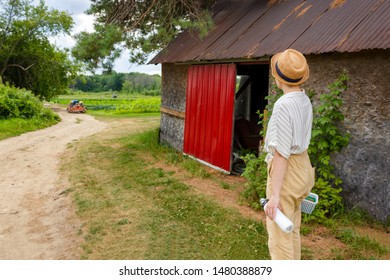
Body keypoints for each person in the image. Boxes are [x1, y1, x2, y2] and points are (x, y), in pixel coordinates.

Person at [263, 49, 315, 260]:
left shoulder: (283, 105)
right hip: (303, 166)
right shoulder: (304, 99)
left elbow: (282, 154)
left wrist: (274, 197)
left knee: (279, 236)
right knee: (291, 228)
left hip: (287, 171)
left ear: (277, 79)